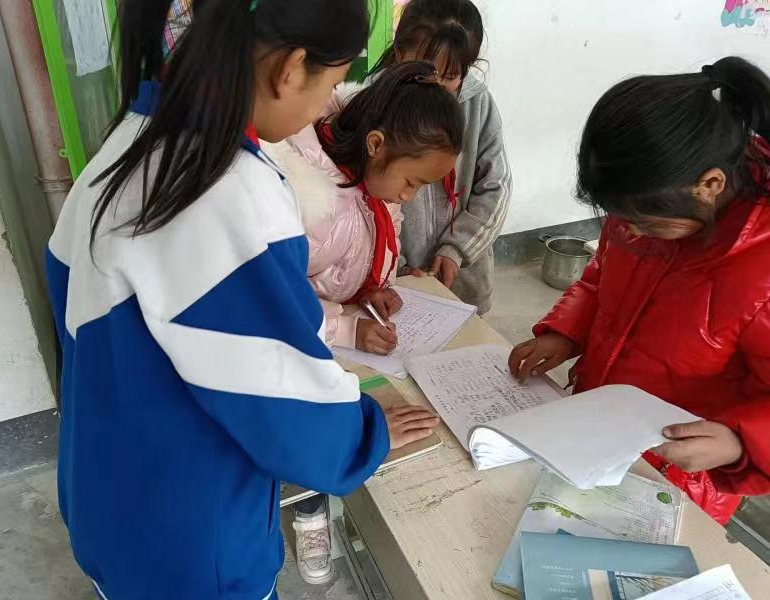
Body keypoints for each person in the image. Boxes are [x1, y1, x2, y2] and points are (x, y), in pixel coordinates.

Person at [44, 1, 439, 598]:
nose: (322, 107)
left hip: (113, 504)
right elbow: (282, 400)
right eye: (330, 85)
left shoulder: (122, 152)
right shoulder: (226, 192)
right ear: (291, 68)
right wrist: (364, 432)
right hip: (194, 544)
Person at [509, 57, 770, 525]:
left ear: (710, 185)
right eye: (620, 219)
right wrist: (565, 333)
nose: (629, 232)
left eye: (645, 223)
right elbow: (600, 278)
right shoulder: (646, 209)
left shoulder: (760, 272)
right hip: (594, 428)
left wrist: (738, 442)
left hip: (680, 476)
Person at [263, 59, 462, 583]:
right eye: (412, 183)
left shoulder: (372, 174)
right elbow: (283, 300)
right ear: (376, 145)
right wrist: (347, 326)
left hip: (344, 325)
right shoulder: (300, 191)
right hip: (308, 343)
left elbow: (372, 235)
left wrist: (375, 285)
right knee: (322, 434)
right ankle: (311, 515)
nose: (409, 196)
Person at [371, 0, 512, 315]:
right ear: (399, 51)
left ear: (467, 67)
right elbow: (364, 202)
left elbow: (496, 186)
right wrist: (396, 265)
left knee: (469, 338)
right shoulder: (373, 103)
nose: (435, 86)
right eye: (422, 72)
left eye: (450, 76)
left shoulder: (479, 104)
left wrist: (456, 249)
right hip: (395, 279)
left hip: (464, 277)